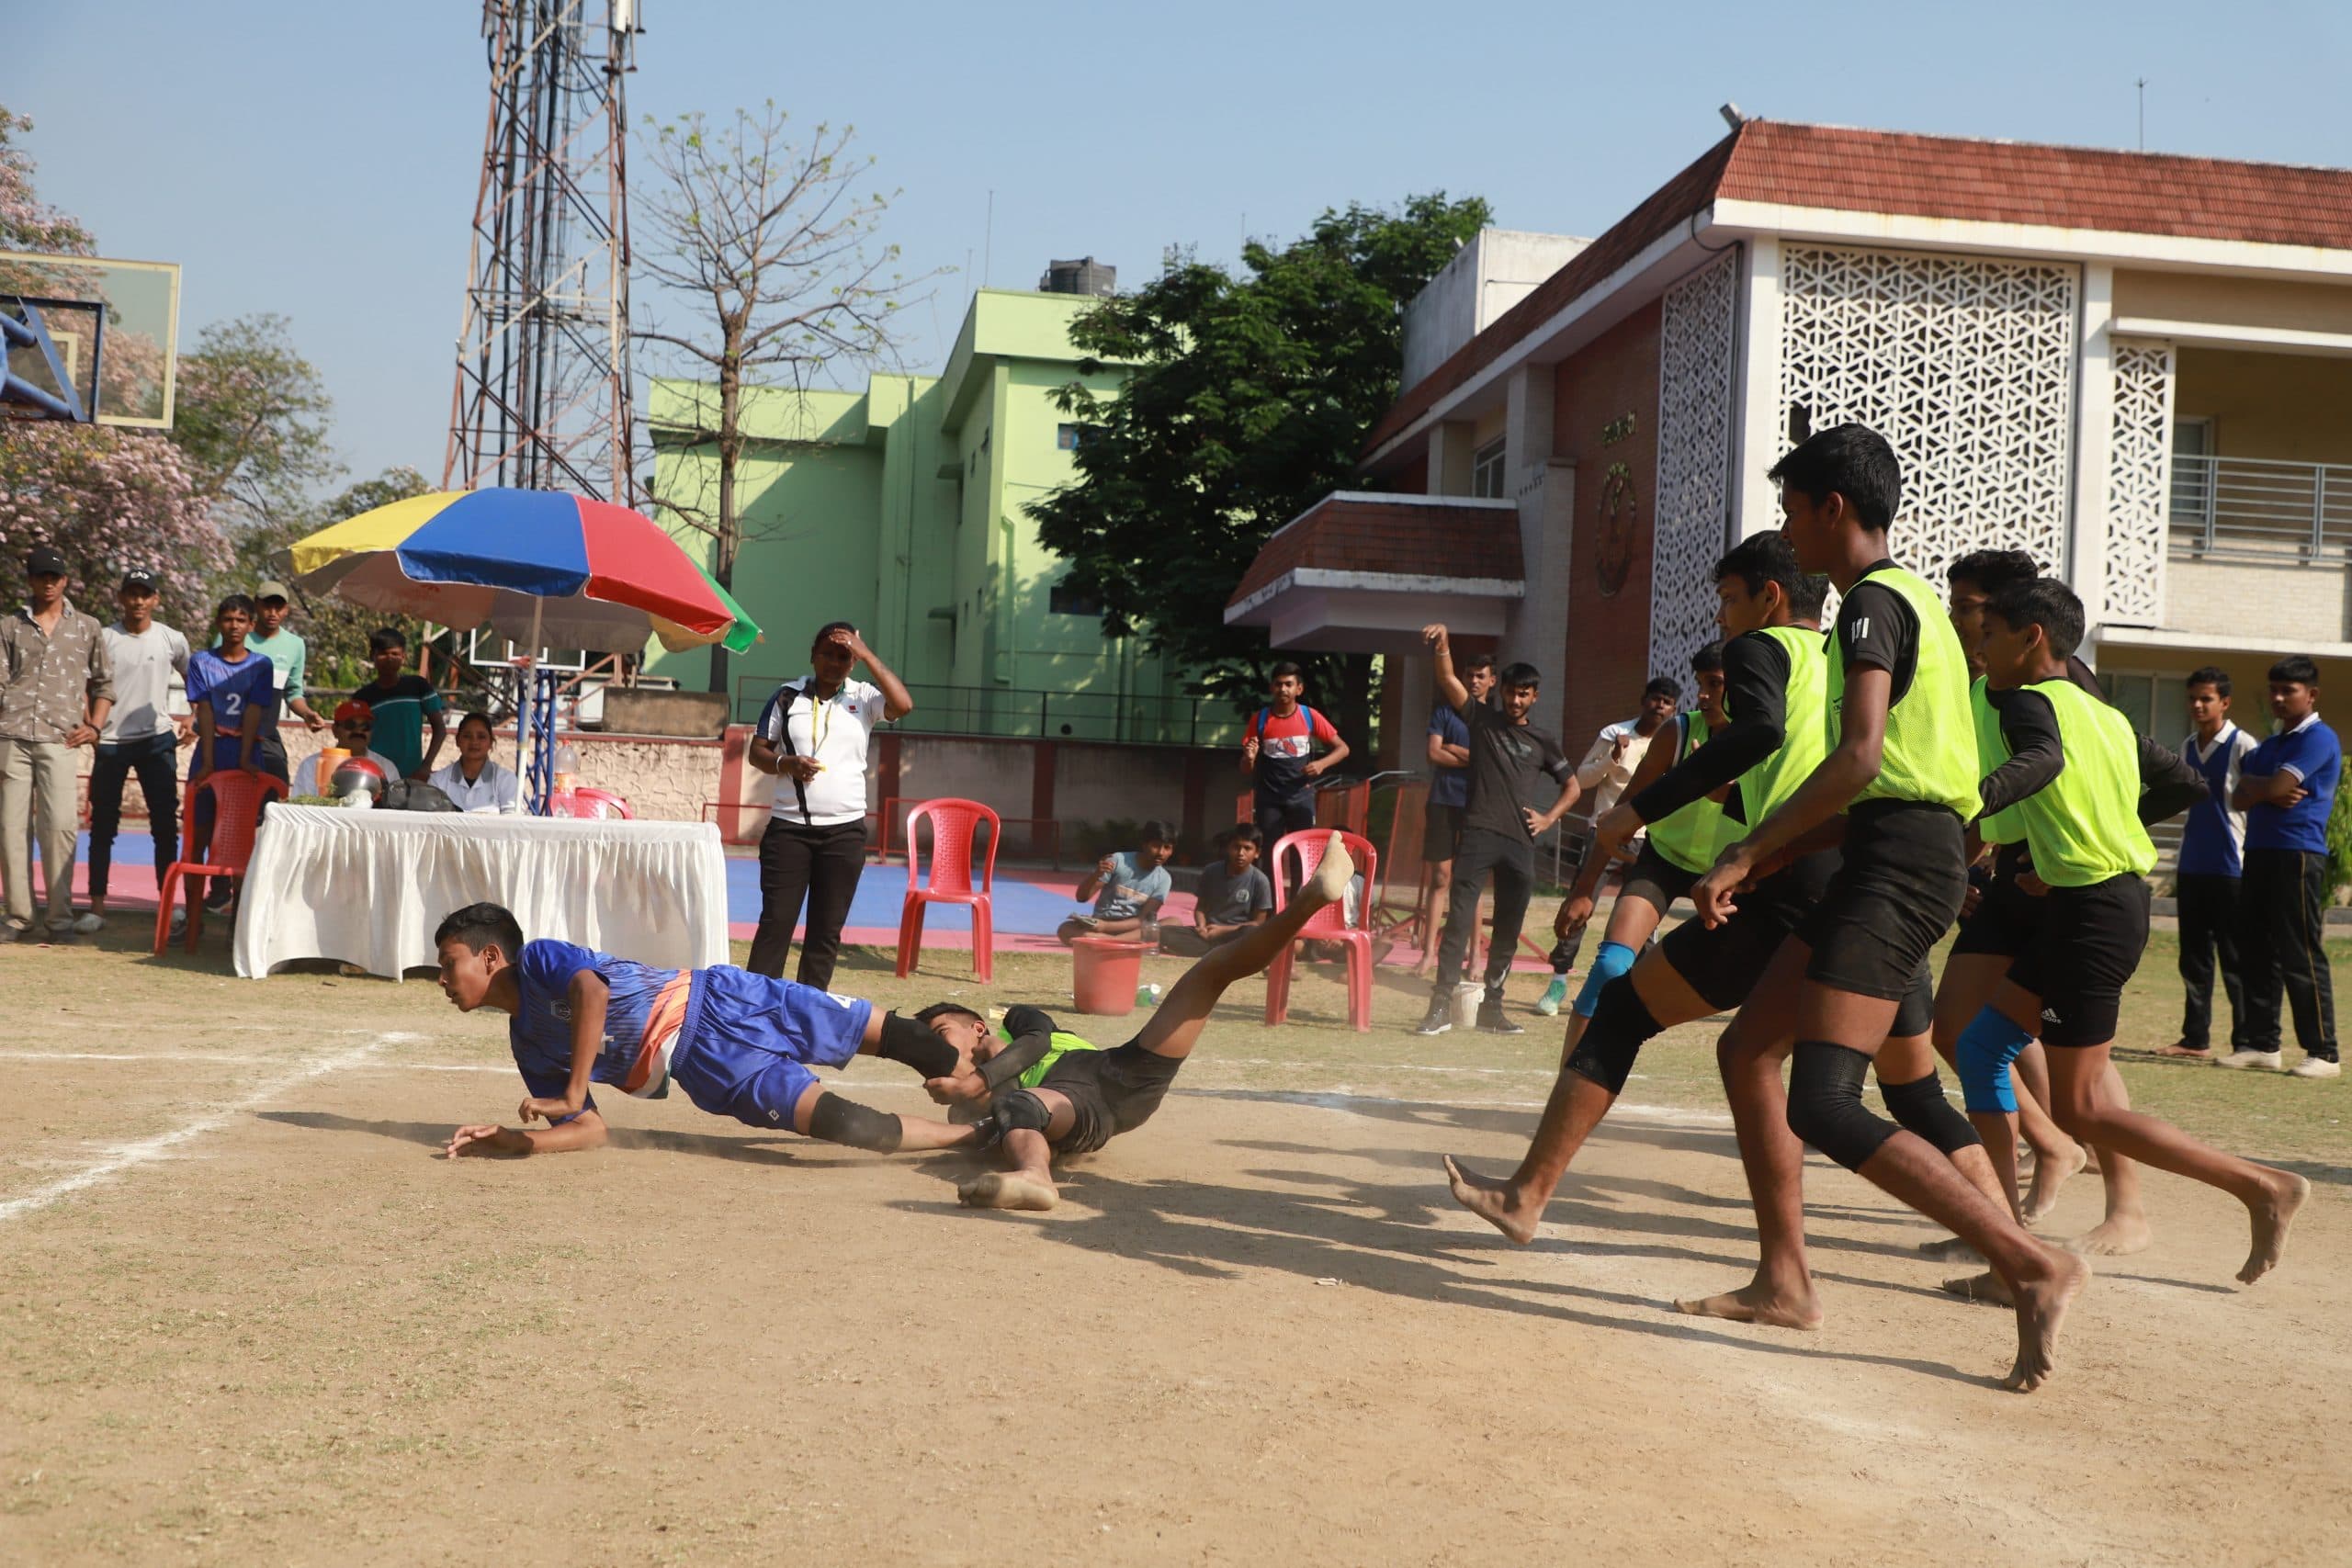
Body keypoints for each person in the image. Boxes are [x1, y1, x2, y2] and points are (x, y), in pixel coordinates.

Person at [1443, 535, 1996, 1262]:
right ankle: (1997, 1239)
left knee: (1626, 1015)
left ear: (1769, 597)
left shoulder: (1758, 652)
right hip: (1862, 880)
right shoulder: (1841, 657)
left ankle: (1528, 1195)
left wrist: (1638, 814)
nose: (1723, 618)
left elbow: (1758, 733)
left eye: (1730, 599)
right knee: (1900, 1084)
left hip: (1793, 885)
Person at [1683, 424, 2086, 1392]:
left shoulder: (1871, 602)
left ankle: (2029, 1262)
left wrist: (1746, 844)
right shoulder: (1911, 606)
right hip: (1890, 851)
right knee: (1745, 1051)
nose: (1787, 531)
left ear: (1832, 508)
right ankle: (1784, 1282)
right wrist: (1769, 854)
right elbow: (1895, 781)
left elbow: (1862, 759)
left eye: (1791, 510)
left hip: (1898, 870)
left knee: (1824, 1101)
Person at [1945, 579, 2308, 1298]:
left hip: (2094, 917)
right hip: (2096, 902)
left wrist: (1966, 800)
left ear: (2032, 638)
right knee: (1982, 1045)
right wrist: (2083, 853)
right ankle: (2009, 1250)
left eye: (1991, 635)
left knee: (2084, 1109)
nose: (1980, 647)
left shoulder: (2028, 702)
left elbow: (2042, 761)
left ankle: (2260, 1185)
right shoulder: (2102, 712)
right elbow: (2182, 786)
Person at [917, 832, 1361, 1211]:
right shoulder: (969, 1102)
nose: (937, 1050)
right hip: (1079, 1103)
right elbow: (982, 1127)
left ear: (976, 1025)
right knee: (1019, 1106)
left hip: (1117, 1068)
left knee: (1209, 974)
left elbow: (1037, 1039)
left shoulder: (1014, 1023)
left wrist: (978, 1081)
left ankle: (1308, 900)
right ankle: (1034, 1178)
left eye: (940, 1033)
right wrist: (975, 1101)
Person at [432, 902, 977, 1158]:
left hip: (726, 997)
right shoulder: (527, 1042)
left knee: (897, 1037)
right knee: (852, 1126)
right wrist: (517, 1141)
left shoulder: (540, 960)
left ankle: (997, 1087)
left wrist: (573, 1090)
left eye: (448, 964)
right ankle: (982, 1135)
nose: (442, 980)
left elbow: (591, 991)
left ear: (489, 956)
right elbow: (591, 1130)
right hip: (710, 1068)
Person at [1542, 642, 1739, 1043]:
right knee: (1612, 966)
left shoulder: (1770, 743)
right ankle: (1570, 1082)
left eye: (1714, 684)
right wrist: (1583, 890)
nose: (1702, 695)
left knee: (1742, 993)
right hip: (1662, 861)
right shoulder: (1678, 732)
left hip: (1727, 875)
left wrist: (1727, 794)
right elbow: (1621, 811)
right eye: (1700, 683)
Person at [1412, 628, 1579, 1037]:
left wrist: (1548, 819)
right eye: (1511, 692)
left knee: (1507, 928)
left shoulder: (1543, 740)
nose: (1516, 700)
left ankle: (1493, 1009)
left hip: (1520, 843)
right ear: (1500, 690)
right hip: (1478, 834)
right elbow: (1449, 680)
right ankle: (1440, 1007)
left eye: (1524, 694)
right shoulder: (1480, 719)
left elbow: (1573, 787)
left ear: (1534, 697)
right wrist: (1444, 647)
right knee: (1459, 922)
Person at [747, 623, 912, 987]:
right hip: (788, 831)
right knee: (776, 925)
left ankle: (808, 1014)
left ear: (853, 662)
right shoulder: (787, 697)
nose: (834, 663)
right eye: (827, 654)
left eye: (844, 656)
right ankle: (752, 1010)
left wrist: (866, 652)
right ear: (813, 656)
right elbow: (757, 752)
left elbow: (903, 704)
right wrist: (785, 764)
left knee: (825, 933)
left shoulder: (865, 697)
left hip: (843, 834)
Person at [2227, 655, 2343, 1077]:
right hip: (2258, 850)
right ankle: (2262, 1044)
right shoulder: (2270, 745)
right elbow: (2238, 796)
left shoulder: (2320, 739)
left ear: (2310, 695)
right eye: (2274, 689)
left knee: (2301, 952)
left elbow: (2273, 786)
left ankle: (2324, 1052)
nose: (2278, 697)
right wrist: (2266, 789)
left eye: (2288, 690)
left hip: (2297, 855)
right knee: (2256, 948)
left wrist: (2266, 787)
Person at [1536, 678, 1682, 1009]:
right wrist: (1613, 757)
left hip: (1648, 839)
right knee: (1580, 902)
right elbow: (1583, 779)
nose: (1660, 706)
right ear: (1643, 700)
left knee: (1642, 912)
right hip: (1604, 835)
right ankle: (1558, 982)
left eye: (1667, 702)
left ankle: (1634, 993)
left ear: (1674, 709)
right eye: (1655, 699)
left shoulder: (1675, 742)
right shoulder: (1614, 733)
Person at [0, 547, 113, 942]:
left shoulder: (87, 627)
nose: (48, 583)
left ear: (65, 581)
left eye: (55, 576)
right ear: (29, 580)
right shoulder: (8, 626)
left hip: (62, 739)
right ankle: (17, 917)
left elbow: (103, 684)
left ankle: (60, 919)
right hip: (11, 736)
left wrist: (95, 727)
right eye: (41, 576)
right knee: (11, 827)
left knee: (61, 826)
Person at [2165, 667, 2259, 1062]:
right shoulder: (2187, 745)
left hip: (2232, 869)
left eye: (2206, 698)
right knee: (2194, 957)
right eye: (2192, 699)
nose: (2197, 705)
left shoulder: (2243, 745)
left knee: (2235, 959)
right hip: (2192, 867)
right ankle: (2195, 1039)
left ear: (2225, 702)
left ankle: (2247, 1042)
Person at [88, 568, 189, 931]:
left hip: (157, 739)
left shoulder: (171, 639)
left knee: (164, 826)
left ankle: (167, 904)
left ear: (156, 600)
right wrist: (92, 726)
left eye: (145, 594)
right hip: (112, 742)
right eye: (131, 594)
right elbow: (88, 684)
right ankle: (96, 907)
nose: (138, 601)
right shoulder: (104, 638)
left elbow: (197, 681)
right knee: (102, 825)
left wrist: (193, 717)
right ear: (121, 599)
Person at [185, 595, 283, 909]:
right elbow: (205, 709)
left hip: (246, 750)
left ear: (251, 625)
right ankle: (193, 912)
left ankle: (238, 918)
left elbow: (254, 710)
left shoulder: (260, 665)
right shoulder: (201, 661)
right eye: (228, 619)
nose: (234, 626)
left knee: (242, 841)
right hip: (210, 748)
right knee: (197, 835)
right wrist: (209, 761)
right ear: (218, 623)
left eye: (241, 620)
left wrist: (244, 757)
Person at [1419, 652, 1496, 978]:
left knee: (1471, 883)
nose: (1474, 681)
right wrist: (1466, 756)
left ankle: (1476, 957)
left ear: (1492, 680)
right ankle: (1427, 954)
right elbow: (1433, 752)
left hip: (1477, 805)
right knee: (1440, 879)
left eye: (1481, 676)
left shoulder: (1492, 718)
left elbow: (1486, 761)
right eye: (1470, 675)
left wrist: (1455, 749)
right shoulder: (1443, 712)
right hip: (1442, 801)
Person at [1240, 661, 1349, 848]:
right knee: (1269, 852)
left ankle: (1301, 879)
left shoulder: (1309, 716)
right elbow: (1245, 768)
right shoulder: (1259, 719)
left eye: (1288, 684)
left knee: (1302, 853)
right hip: (1269, 799)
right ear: (1271, 688)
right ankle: (1270, 879)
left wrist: (1322, 764)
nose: (1283, 689)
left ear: (1299, 689)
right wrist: (1249, 759)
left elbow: (1343, 748)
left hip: (1301, 797)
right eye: (1278, 684)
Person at [1162, 823, 1272, 956]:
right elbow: (1201, 908)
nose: (1240, 853)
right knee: (1163, 932)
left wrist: (1223, 930)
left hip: (1236, 935)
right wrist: (1201, 927)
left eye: (1247, 848)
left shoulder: (1260, 880)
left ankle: (1215, 951)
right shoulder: (1211, 871)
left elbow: (1258, 923)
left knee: (1251, 933)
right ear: (1228, 848)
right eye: (1236, 847)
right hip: (1207, 935)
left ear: (1257, 853)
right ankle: (1216, 952)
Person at [353, 626, 447, 783]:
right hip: (373, 775)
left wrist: (426, 765)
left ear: (404, 657)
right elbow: (355, 738)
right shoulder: (362, 697)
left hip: (412, 776)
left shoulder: (418, 686)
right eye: (383, 653)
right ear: (372, 656)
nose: (389, 658)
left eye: (395, 654)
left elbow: (440, 729)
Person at [1059, 822, 1176, 943]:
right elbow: (1081, 898)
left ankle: (1110, 941)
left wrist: (1105, 926)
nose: (1161, 853)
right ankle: (1112, 941)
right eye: (1156, 846)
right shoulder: (1117, 861)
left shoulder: (1164, 879)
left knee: (1174, 922)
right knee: (1064, 929)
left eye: (1167, 848)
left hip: (1131, 930)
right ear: (1144, 845)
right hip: (1100, 926)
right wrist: (1095, 875)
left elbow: (1143, 920)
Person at [242, 580, 329, 735]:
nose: (273, 613)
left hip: (266, 734)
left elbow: (293, 692)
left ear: (286, 610)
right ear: (256, 604)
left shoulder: (295, 645)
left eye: (278, 608)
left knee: (278, 760)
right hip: (228, 732)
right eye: (267, 606)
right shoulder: (234, 636)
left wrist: (307, 714)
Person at [290, 701, 401, 796]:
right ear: (335, 730)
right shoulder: (311, 765)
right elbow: (300, 808)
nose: (358, 732)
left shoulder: (386, 768)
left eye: (365, 727)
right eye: (350, 725)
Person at [429, 711, 524, 814]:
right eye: (467, 736)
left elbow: (512, 822)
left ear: (491, 742)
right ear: (457, 740)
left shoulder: (506, 780)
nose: (474, 742)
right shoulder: (437, 781)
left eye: (481, 736)